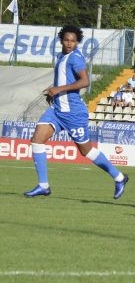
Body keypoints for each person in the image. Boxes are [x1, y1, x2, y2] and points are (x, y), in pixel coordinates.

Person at [24, 25, 128, 198]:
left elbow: (85, 81)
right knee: (37, 139)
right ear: (61, 41)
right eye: (66, 40)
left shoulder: (75, 58)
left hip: (73, 113)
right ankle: (43, 185)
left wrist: (58, 90)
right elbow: (64, 79)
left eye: (73, 41)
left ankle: (119, 177)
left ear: (77, 42)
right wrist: (53, 90)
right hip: (57, 110)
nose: (69, 43)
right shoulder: (61, 56)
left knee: (86, 151)